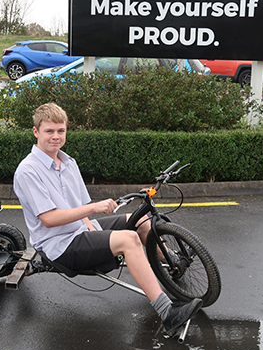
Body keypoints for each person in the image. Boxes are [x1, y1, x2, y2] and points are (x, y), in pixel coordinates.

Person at [13, 103, 201, 335]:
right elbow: (50, 220)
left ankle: (173, 264)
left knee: (138, 221)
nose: (56, 136)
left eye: (60, 131)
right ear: (36, 132)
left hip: (80, 230)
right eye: (49, 131)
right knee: (129, 240)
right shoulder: (28, 171)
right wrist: (94, 210)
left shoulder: (68, 163)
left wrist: (91, 226)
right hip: (59, 244)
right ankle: (168, 313)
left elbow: (80, 206)